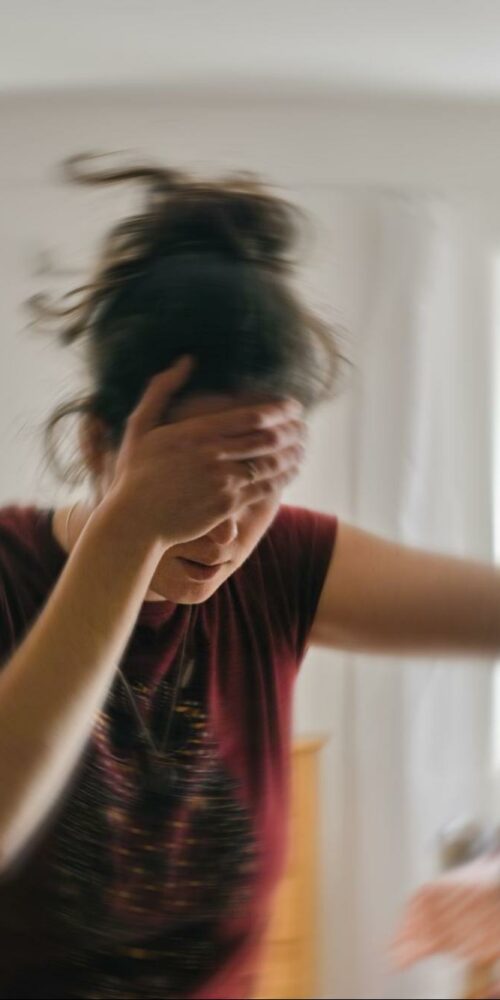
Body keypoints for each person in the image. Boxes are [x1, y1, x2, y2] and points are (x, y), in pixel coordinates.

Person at [0, 154, 498, 1000]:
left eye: (257, 484)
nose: (225, 530)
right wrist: (129, 532)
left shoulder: (284, 566)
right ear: (94, 444)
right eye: (193, 483)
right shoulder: (11, 569)